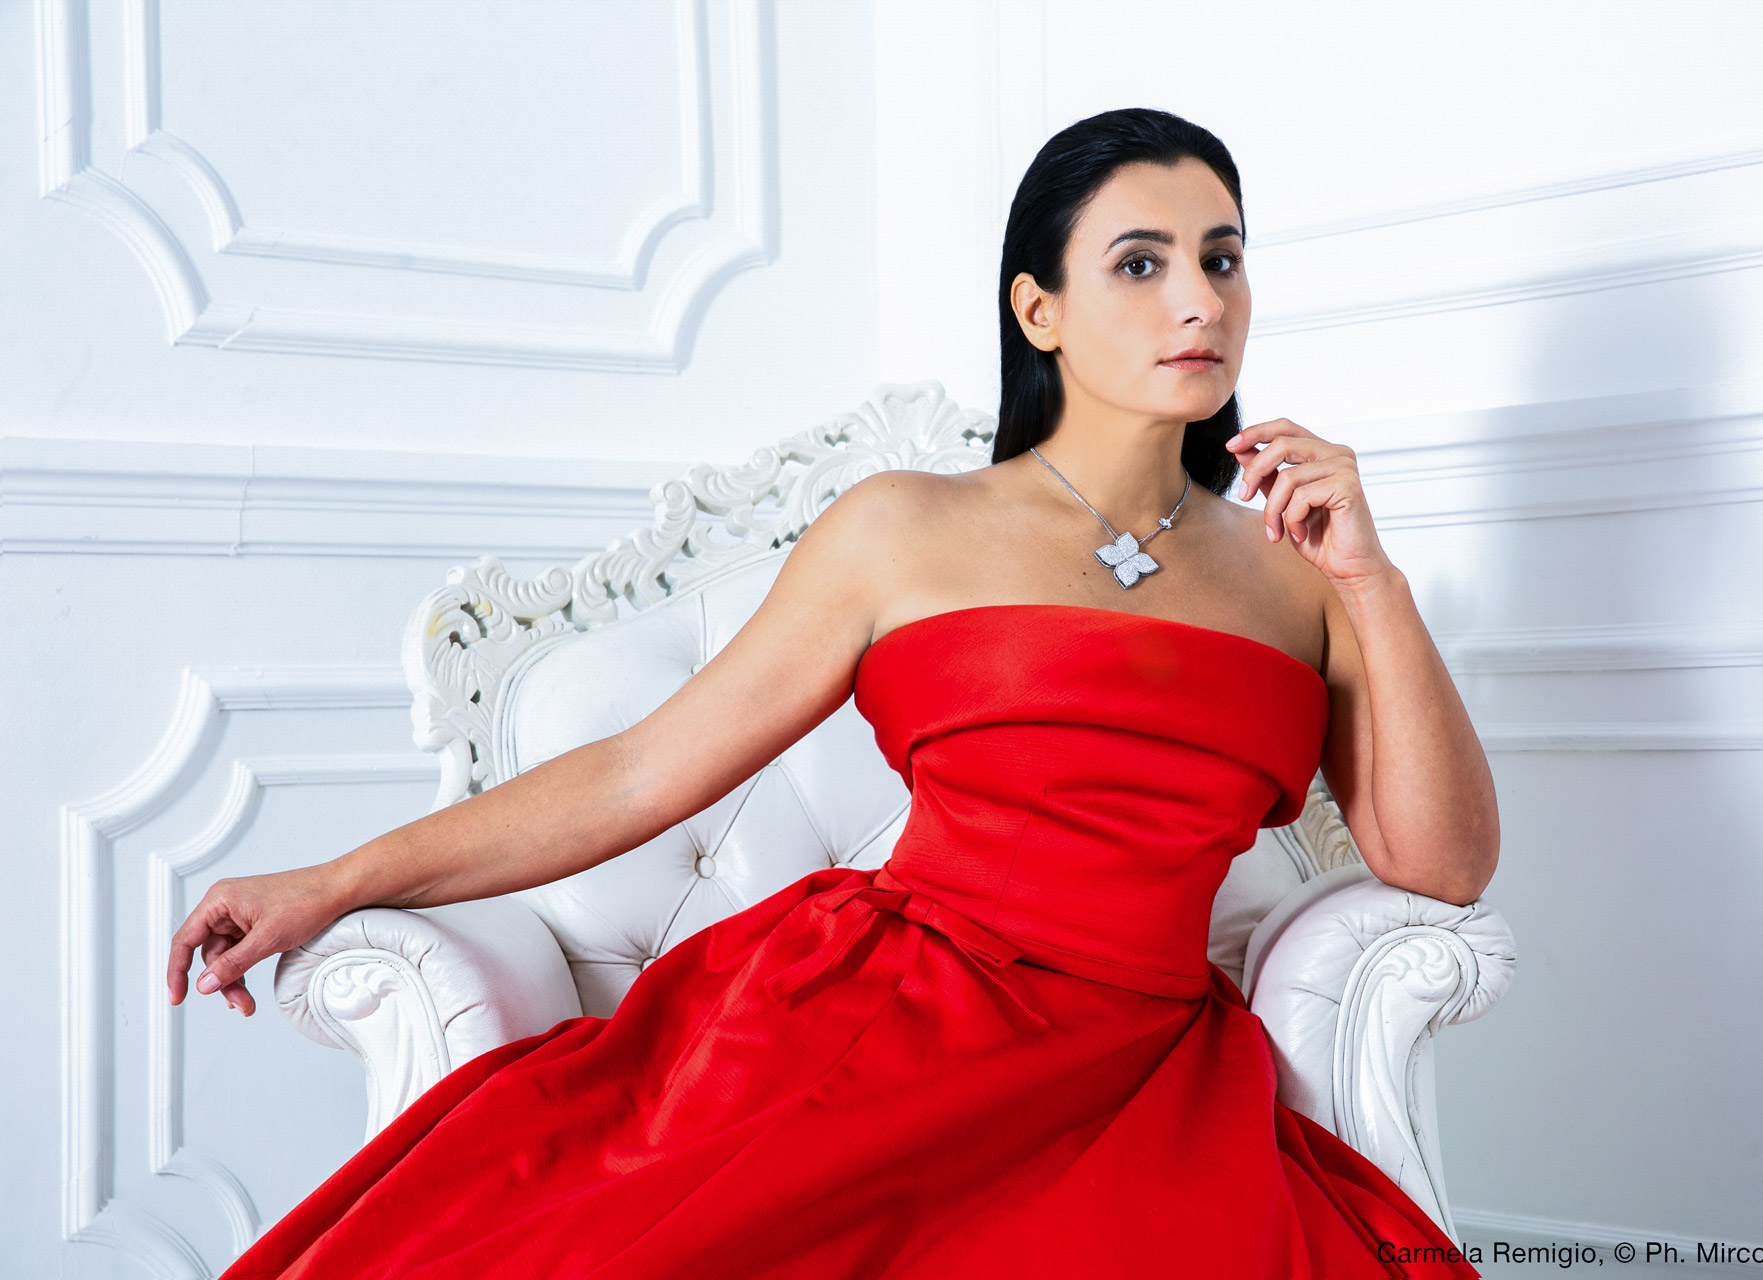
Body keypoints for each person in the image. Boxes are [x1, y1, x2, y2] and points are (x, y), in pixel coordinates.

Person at [167, 106, 1498, 1279]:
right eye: (1141, 264)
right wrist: (332, 880)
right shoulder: (902, 529)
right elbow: (638, 774)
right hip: (883, 1025)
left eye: (1223, 257)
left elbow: (1440, 865)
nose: (1199, 301)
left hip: (1142, 1073)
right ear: (1039, 309)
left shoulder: (1303, 570)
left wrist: (1373, 581)